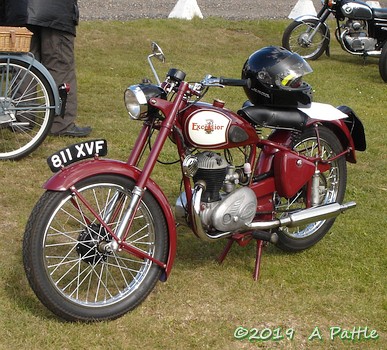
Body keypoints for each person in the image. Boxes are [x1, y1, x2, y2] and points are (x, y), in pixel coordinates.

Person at [0, 0, 92, 137]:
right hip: (56, 11)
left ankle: (23, 119)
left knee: (24, 66)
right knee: (59, 65)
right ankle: (60, 124)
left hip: (18, 9)